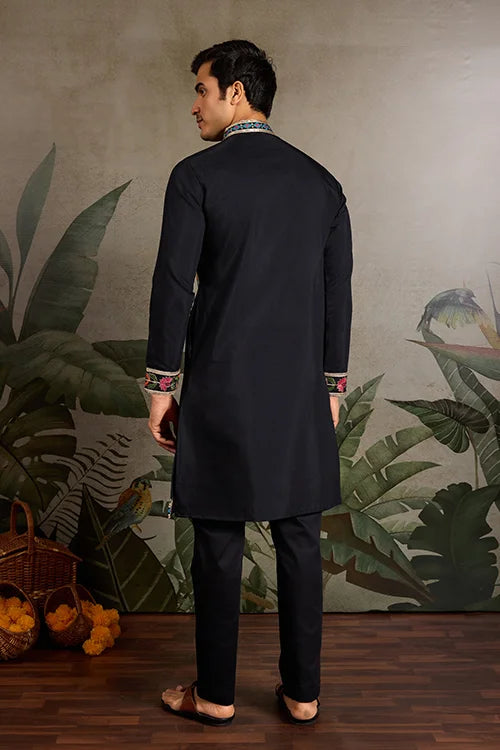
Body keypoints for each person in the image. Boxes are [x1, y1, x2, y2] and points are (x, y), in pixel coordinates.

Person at [144, 39, 353, 725]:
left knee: (218, 538)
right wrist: (331, 389)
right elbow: (337, 296)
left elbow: (173, 286)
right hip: (298, 394)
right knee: (299, 536)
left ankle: (215, 696)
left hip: (222, 387)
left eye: (201, 89)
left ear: (236, 92)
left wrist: (161, 387)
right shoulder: (322, 184)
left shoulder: (195, 176)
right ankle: (303, 695)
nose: (194, 105)